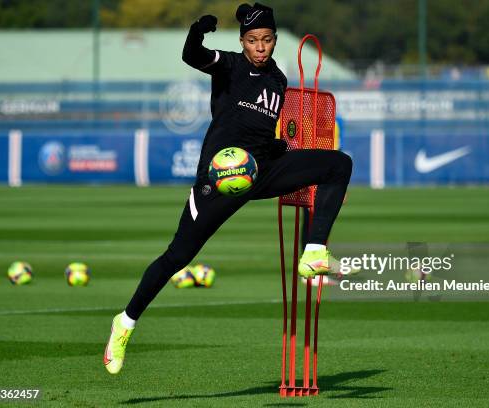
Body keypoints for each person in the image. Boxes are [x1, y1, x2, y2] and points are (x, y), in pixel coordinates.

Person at [103, 2, 353, 375]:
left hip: (260, 172)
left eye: (266, 40)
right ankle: (125, 323)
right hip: (218, 180)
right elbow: (192, 55)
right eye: (253, 41)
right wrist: (197, 31)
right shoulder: (229, 66)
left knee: (338, 164)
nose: (260, 47)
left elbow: (260, 136)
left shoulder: (279, 82)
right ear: (242, 42)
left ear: (274, 40)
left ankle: (313, 252)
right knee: (177, 256)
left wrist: (280, 148)